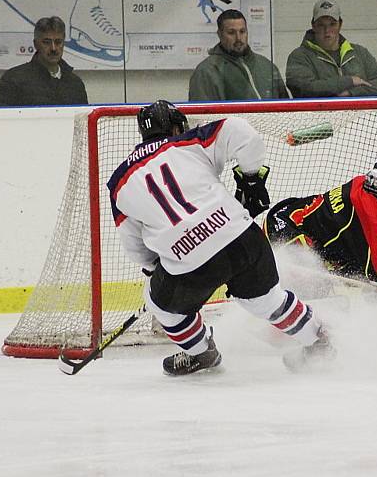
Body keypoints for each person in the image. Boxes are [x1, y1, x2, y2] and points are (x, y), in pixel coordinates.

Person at [108, 100, 334, 375]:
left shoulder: (118, 182)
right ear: (176, 124)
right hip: (241, 237)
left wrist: (154, 268)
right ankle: (318, 339)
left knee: (162, 307)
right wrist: (251, 179)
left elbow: (135, 247)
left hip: (188, 262)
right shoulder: (190, 141)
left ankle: (202, 353)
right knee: (266, 300)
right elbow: (242, 132)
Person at [264, 154, 377, 300]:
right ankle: (277, 310)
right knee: (317, 283)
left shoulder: (362, 184)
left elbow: (360, 236)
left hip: (289, 218)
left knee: (343, 266)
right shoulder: (370, 209)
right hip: (284, 232)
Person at [285, 0, 377, 98]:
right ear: (313, 26)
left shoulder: (359, 53)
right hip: (319, 117)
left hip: (360, 117)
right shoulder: (299, 57)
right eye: (321, 25)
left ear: (340, 25)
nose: (327, 31)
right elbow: (303, 89)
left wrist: (351, 93)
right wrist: (349, 81)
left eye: (332, 24)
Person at [189, 9, 290, 101]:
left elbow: (286, 107)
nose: (238, 38)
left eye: (242, 31)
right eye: (231, 32)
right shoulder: (207, 71)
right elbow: (203, 116)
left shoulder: (266, 65)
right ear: (219, 34)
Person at [0, 16, 88, 107]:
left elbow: (83, 121)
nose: (53, 48)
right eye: (47, 42)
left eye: (58, 42)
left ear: (63, 44)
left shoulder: (75, 84)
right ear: (35, 44)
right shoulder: (14, 79)